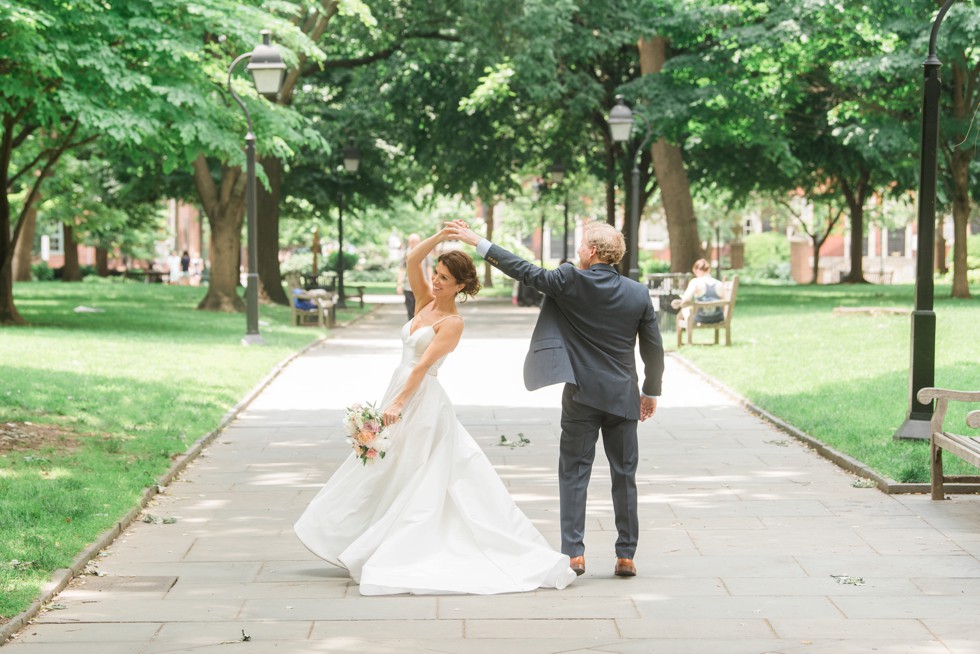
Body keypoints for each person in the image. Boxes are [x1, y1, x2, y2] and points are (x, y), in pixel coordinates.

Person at [294, 224, 577, 596]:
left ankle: (395, 544)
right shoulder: (425, 300)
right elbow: (413, 259)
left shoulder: (452, 323)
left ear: (460, 285)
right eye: (437, 274)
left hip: (420, 399)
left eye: (445, 278)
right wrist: (441, 238)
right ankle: (355, 536)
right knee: (384, 466)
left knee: (409, 470)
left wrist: (397, 403)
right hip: (397, 388)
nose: (437, 280)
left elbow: (423, 366)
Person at [453, 219, 664, 579]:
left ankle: (574, 554)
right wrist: (650, 391)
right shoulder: (637, 293)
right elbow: (654, 349)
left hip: (582, 395)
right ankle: (626, 555)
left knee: (573, 474)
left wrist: (478, 242)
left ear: (593, 252)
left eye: (581, 245)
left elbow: (524, 271)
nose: (577, 251)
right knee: (624, 475)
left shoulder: (569, 281)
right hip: (622, 395)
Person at [671, 258, 723, 324]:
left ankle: (681, 332)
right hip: (718, 318)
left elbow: (686, 299)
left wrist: (682, 300)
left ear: (697, 270)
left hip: (701, 318)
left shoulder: (695, 282)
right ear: (708, 270)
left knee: (683, 310)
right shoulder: (719, 284)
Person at [396, 233, 431, 320]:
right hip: (409, 287)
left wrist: (431, 283)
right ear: (409, 242)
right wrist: (399, 284)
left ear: (420, 242)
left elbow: (429, 268)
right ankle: (411, 331)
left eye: (416, 241)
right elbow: (401, 269)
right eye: (412, 241)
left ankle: (421, 330)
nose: (414, 243)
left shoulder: (425, 252)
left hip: (423, 286)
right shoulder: (405, 254)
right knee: (411, 312)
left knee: (423, 311)